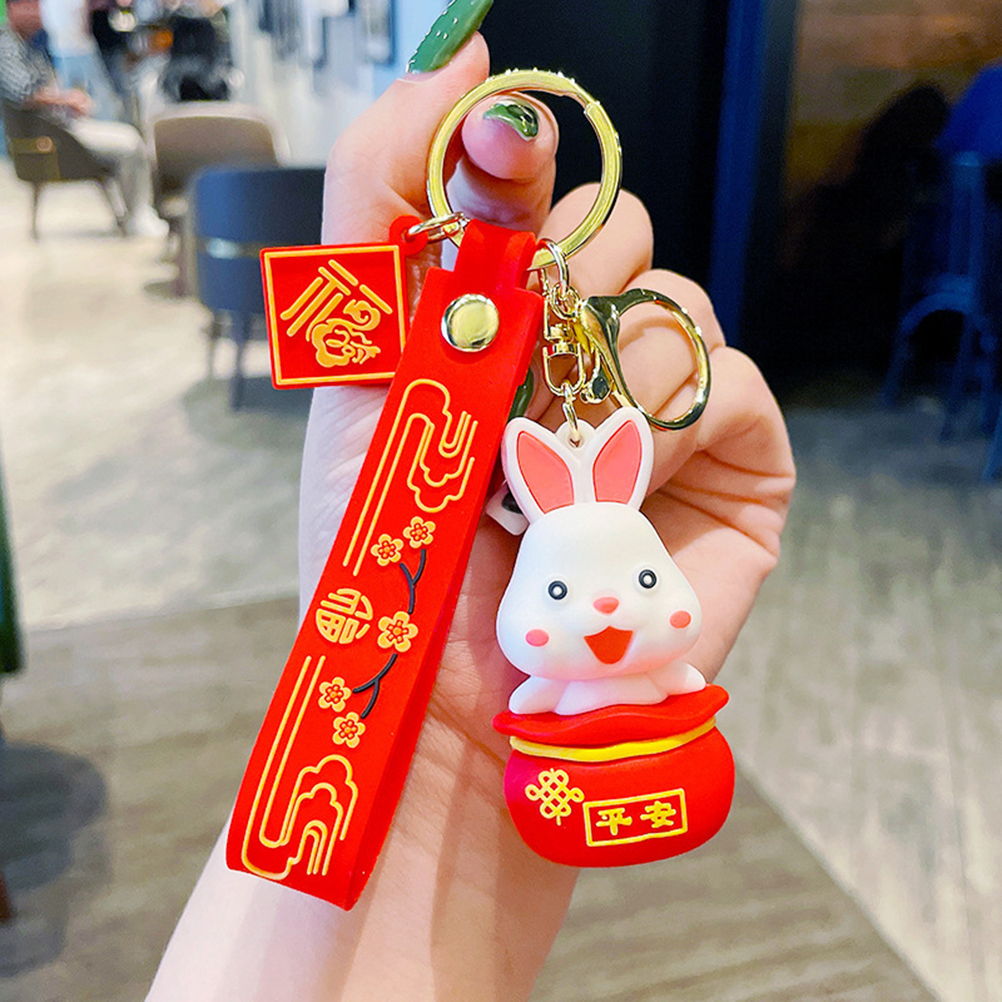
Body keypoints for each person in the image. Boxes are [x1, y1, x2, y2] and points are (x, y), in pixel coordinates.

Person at [145, 29, 795, 1002]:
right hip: (483, 745)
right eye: (570, 596)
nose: (608, 611)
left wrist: (456, 767)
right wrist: (437, 756)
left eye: (639, 583)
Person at [1, 0, 161, 233]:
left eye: (39, 7)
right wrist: (66, 99)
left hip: (62, 127)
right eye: (31, 6)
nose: (38, 13)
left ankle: (139, 212)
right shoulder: (6, 46)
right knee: (129, 145)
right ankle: (138, 217)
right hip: (50, 138)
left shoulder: (29, 43)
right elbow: (24, 93)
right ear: (12, 9)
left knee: (132, 137)